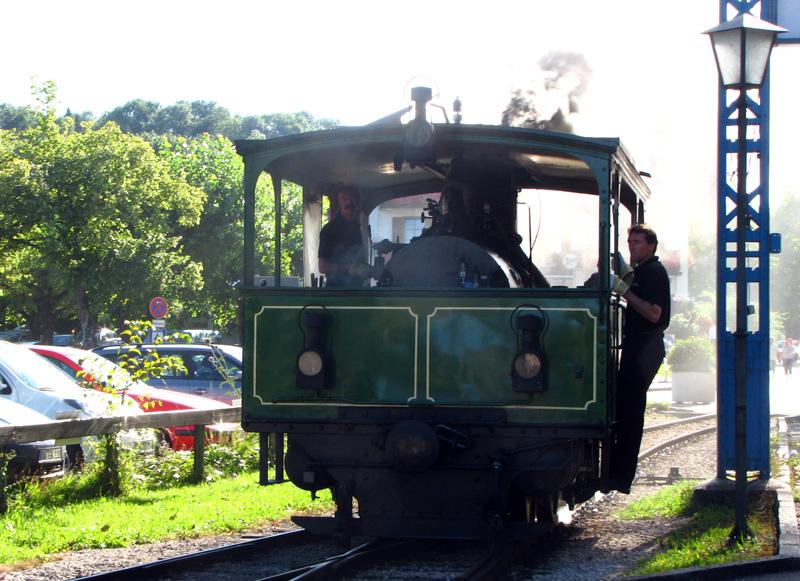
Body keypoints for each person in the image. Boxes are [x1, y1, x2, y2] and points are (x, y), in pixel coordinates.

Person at [607, 223, 671, 494]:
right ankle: (617, 473)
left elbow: (655, 313)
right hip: (638, 343)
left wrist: (623, 290)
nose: (632, 246)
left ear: (651, 246)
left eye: (637, 242)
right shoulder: (644, 271)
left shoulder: (654, 271)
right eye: (630, 242)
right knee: (625, 409)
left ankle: (621, 477)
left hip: (645, 343)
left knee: (631, 413)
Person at [318, 185, 370, 287]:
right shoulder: (329, 230)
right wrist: (347, 267)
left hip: (356, 290)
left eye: (351, 198)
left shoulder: (356, 228)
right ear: (337, 205)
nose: (349, 202)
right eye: (344, 198)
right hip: (337, 293)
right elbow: (322, 267)